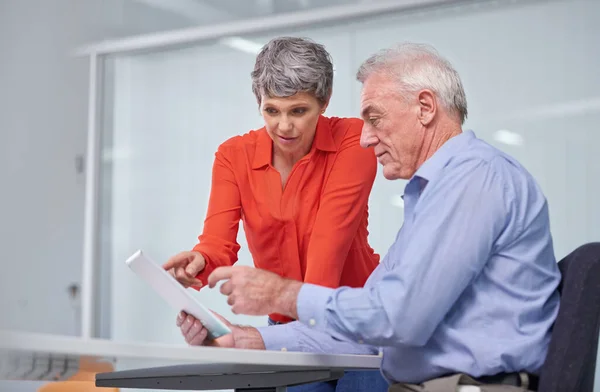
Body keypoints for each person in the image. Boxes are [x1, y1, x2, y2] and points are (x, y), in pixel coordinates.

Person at [175, 42, 562, 392]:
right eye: (272, 110)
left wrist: (279, 294)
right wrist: (244, 339)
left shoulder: (476, 179)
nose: (366, 137)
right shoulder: (435, 197)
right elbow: (375, 332)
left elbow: (396, 319)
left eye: (375, 119)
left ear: (425, 108)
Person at [163, 36, 387, 391]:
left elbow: (328, 249)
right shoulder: (233, 156)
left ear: (324, 102)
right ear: (259, 103)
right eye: (272, 110)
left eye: (298, 111)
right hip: (286, 323)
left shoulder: (353, 140)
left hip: (356, 326)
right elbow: (217, 243)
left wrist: (251, 337)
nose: (284, 126)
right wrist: (199, 261)